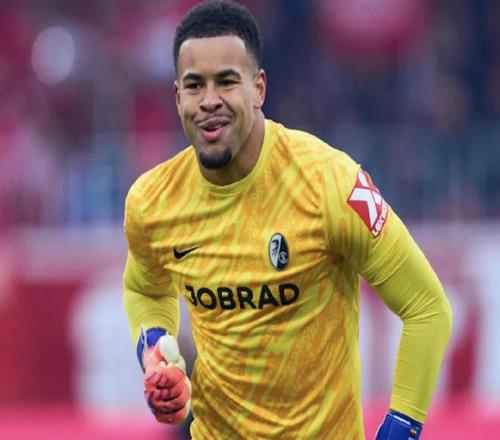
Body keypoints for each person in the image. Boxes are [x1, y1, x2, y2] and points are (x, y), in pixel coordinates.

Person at [123, 1, 452, 438]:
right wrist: (153, 349)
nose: (209, 101)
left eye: (227, 82)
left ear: (258, 89)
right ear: (178, 97)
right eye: (195, 85)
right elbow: (144, 288)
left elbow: (427, 308)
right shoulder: (152, 201)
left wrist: (401, 427)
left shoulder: (330, 183)